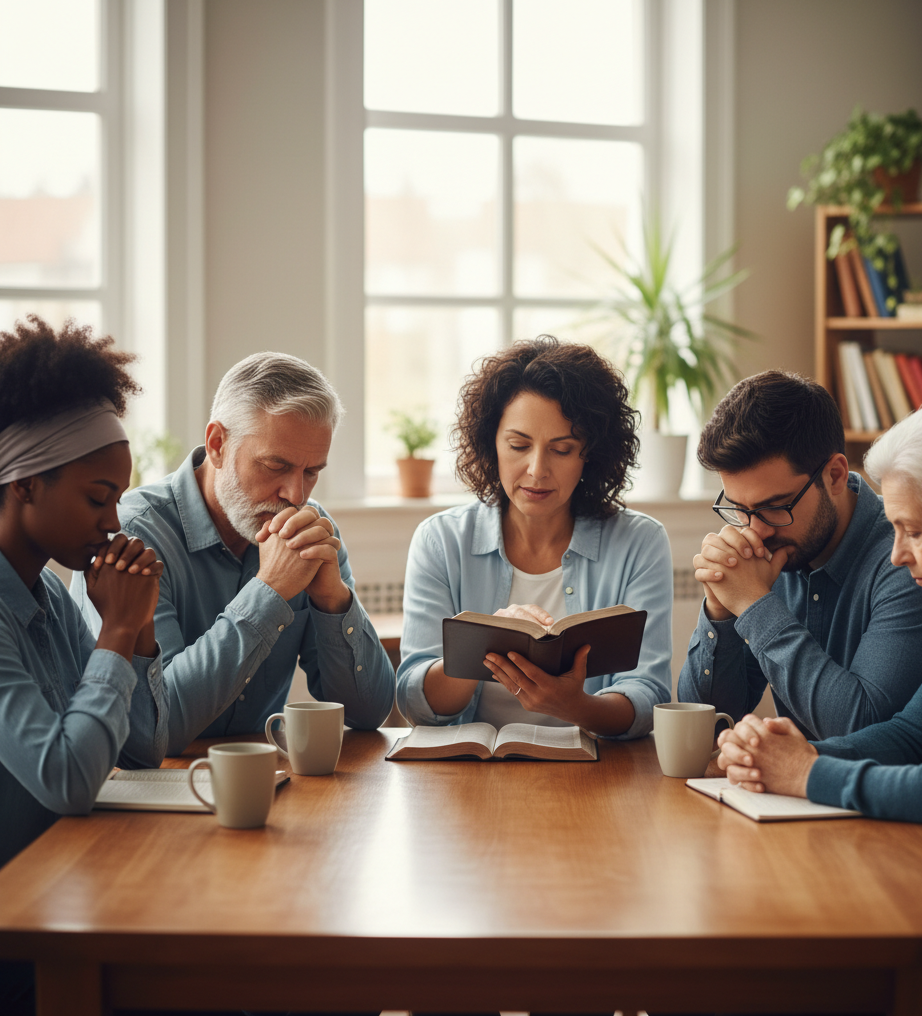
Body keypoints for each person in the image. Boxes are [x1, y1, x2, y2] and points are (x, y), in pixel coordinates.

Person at [716, 399, 922, 1013]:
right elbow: (912, 734)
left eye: (914, 531)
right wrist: (780, 756)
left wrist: (807, 773)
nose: (897, 553)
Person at [72, 352, 395, 755]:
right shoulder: (132, 536)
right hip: (149, 790)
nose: (296, 495)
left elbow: (368, 714)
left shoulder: (310, 532)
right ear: (217, 444)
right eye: (275, 465)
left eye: (312, 472)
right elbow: (158, 729)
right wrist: (270, 591)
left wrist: (334, 601)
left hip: (261, 781)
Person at [0, 316, 167, 1015]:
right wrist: (117, 630)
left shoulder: (52, 595)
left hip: (64, 892)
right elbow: (66, 780)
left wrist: (142, 633)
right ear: (25, 485)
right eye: (98, 498)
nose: (113, 522)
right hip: (20, 938)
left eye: (118, 499)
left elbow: (146, 746)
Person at [397, 335, 672, 739]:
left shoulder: (639, 542)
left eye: (561, 449)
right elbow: (415, 700)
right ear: (491, 443)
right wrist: (483, 642)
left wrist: (578, 706)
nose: (537, 470)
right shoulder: (441, 541)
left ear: (590, 455)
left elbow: (650, 697)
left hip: (597, 776)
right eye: (518, 445)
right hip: (469, 776)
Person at [679, 370, 922, 741]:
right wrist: (720, 611)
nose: (754, 530)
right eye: (739, 508)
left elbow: (866, 730)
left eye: (775, 506)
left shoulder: (908, 561)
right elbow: (704, 727)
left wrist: (753, 604)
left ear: (835, 475)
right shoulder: (769, 554)